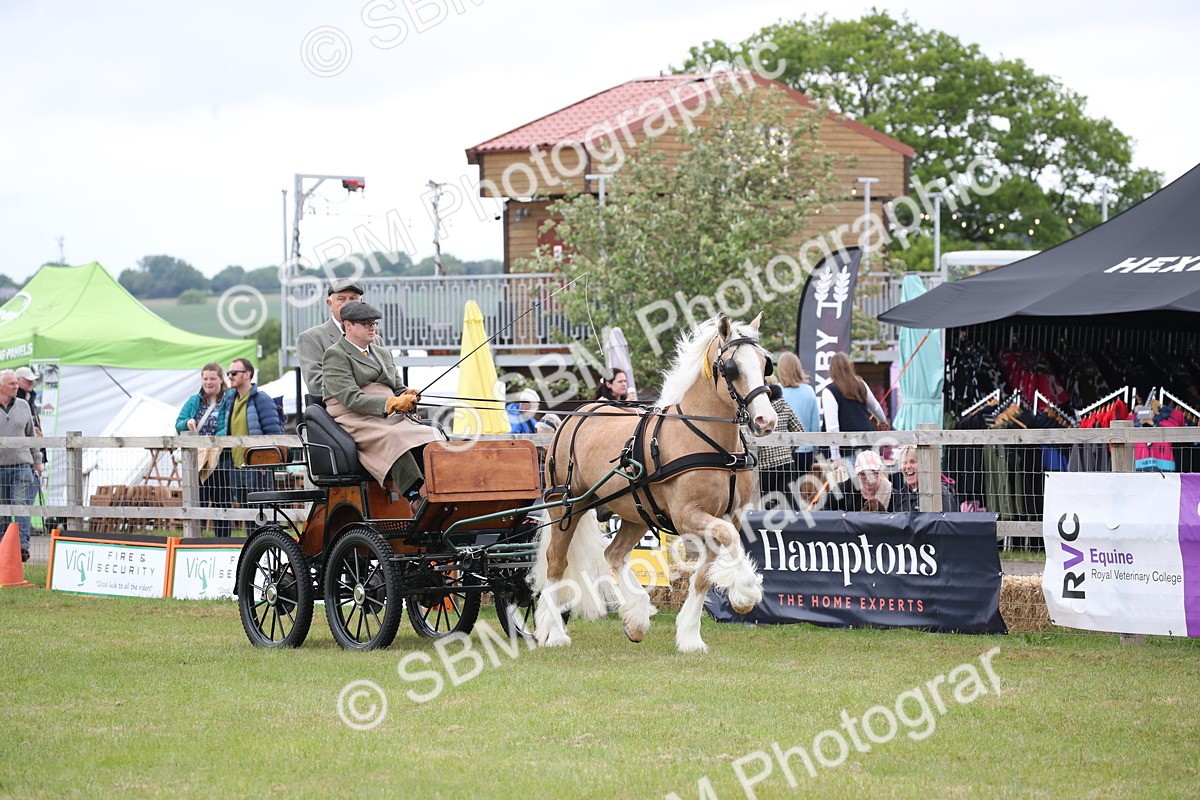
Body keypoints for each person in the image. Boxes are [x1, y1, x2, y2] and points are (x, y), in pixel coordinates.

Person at [321, 301, 444, 509]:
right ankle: (414, 497)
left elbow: (397, 387)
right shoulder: (336, 355)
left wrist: (407, 395)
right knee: (394, 438)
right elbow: (351, 398)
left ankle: (442, 488)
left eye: (373, 323)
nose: (372, 327)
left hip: (389, 413)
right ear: (348, 325)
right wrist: (392, 403)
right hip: (355, 417)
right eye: (365, 323)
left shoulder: (382, 353)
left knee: (432, 434)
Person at [223, 357, 284, 530]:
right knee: (248, 516)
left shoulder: (261, 399)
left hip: (258, 468)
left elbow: (274, 433)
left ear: (247, 374)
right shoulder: (230, 400)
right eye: (229, 373)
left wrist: (265, 461)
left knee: (265, 517)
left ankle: (270, 552)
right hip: (236, 468)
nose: (230, 376)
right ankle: (254, 555)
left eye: (234, 373)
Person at [296, 278, 382, 399]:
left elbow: (390, 377)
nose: (348, 303)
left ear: (361, 301)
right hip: (340, 410)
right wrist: (367, 390)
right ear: (330, 304)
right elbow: (316, 384)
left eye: (353, 299)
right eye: (341, 299)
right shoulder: (312, 338)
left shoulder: (376, 340)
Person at [176, 363, 233, 537]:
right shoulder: (194, 401)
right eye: (205, 378)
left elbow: (229, 426)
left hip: (220, 459)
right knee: (196, 501)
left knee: (221, 504)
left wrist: (213, 441)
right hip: (197, 460)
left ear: (220, 379)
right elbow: (178, 423)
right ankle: (194, 542)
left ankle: (223, 542)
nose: (208, 382)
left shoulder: (229, 398)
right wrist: (187, 423)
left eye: (212, 378)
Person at [0, 370, 42, 561]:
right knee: (2, 510)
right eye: (12, 384)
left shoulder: (24, 406)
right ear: (1, 386)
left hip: (21, 466)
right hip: (0, 467)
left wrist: (37, 461)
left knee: (21, 507)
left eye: (17, 383)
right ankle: (4, 548)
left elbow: (31, 436)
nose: (16, 387)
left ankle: (22, 547)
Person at [821, 352, 888, 462]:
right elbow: (875, 407)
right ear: (850, 367)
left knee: (852, 479)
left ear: (831, 370)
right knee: (871, 479)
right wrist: (882, 421)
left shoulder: (830, 391)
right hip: (868, 444)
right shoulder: (861, 384)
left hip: (847, 450)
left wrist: (835, 457)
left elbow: (832, 428)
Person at [758, 376, 804, 511]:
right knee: (791, 505)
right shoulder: (784, 404)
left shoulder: (758, 409)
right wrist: (786, 450)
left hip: (763, 466)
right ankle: (797, 530)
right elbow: (799, 431)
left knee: (765, 506)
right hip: (786, 463)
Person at [776, 352, 820, 474]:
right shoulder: (809, 391)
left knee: (784, 490)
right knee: (800, 489)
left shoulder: (776, 392)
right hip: (806, 449)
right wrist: (815, 448)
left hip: (782, 451)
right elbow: (815, 426)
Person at [15, 366, 45, 528]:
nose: (31, 383)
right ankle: (20, 533)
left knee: (29, 495)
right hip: (23, 456)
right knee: (22, 499)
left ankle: (22, 532)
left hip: (34, 452)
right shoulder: (18, 401)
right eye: (27, 380)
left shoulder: (30, 400)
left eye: (31, 380)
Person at [892, 445, 960, 512]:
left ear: (925, 464)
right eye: (904, 462)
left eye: (913, 462)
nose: (907, 466)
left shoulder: (940, 493)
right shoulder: (901, 495)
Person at [821, 450, 893, 512]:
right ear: (857, 474)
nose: (868, 479)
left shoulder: (891, 493)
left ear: (880, 473)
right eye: (863, 474)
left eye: (873, 473)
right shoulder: (847, 487)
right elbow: (824, 508)